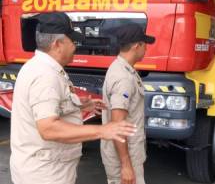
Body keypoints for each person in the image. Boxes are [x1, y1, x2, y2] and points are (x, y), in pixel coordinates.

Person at [10, 12, 136, 184]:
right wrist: (103, 130)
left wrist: (80, 105)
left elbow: (51, 107)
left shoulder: (39, 67)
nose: (76, 46)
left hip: (45, 168)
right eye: (72, 41)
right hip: (44, 174)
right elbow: (48, 128)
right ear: (58, 44)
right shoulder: (45, 76)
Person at [101, 23, 155, 184]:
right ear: (137, 46)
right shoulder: (124, 78)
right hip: (125, 158)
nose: (146, 49)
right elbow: (118, 124)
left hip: (128, 154)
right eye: (145, 45)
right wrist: (126, 165)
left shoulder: (122, 68)